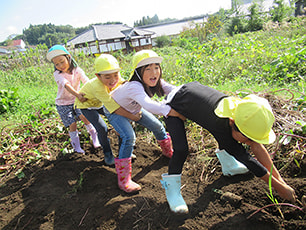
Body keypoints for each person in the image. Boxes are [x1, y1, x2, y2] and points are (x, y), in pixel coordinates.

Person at [110, 49, 296, 214]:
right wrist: (278, 187)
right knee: (182, 150)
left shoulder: (238, 112)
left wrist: (281, 182)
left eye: (156, 67)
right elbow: (249, 160)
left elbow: (256, 145)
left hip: (190, 94)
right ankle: (172, 190)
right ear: (233, 122)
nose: (247, 142)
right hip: (173, 105)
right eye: (147, 69)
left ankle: (229, 166)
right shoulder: (226, 122)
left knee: (223, 134)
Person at [74, 54, 173, 193]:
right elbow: (112, 106)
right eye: (148, 69)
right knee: (126, 135)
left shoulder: (139, 81)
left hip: (126, 107)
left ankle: (168, 152)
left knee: (157, 126)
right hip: (101, 107)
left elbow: (168, 88)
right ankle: (123, 179)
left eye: (156, 68)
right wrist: (133, 116)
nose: (153, 73)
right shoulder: (100, 86)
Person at [46, 45, 100, 154]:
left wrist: (94, 90)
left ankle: (95, 138)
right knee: (72, 124)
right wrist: (78, 94)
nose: (60, 66)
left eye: (62, 61)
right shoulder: (57, 74)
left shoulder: (77, 70)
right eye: (57, 64)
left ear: (68, 57)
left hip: (77, 100)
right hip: (63, 103)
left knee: (85, 117)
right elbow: (66, 85)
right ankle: (77, 147)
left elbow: (86, 81)